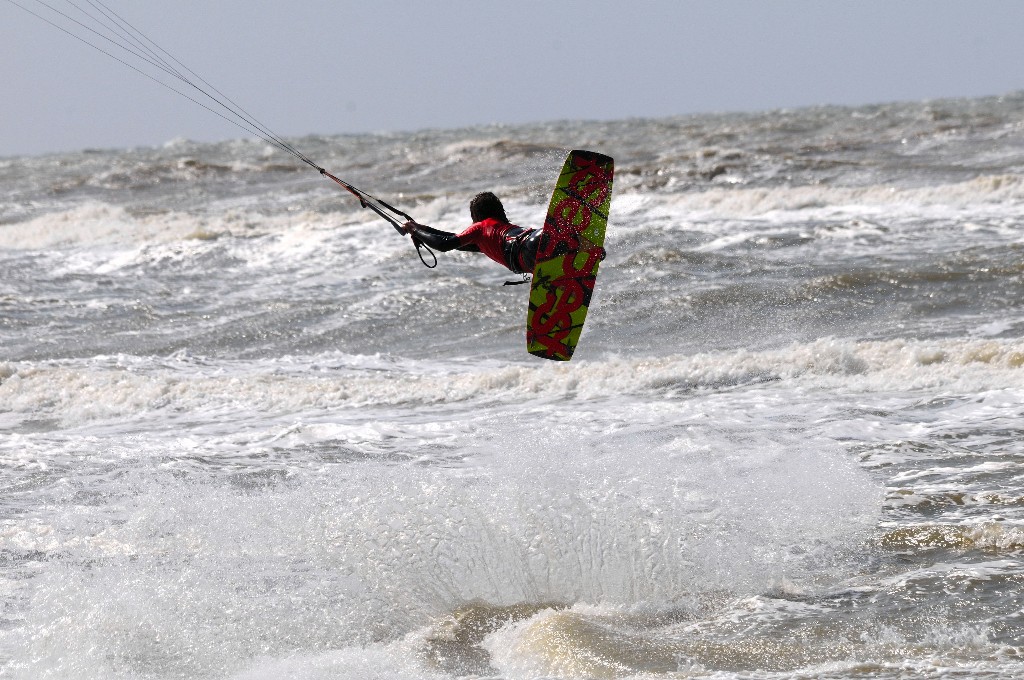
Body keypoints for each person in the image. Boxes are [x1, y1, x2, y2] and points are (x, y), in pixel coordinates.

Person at [401, 192, 542, 274]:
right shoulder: (495, 234)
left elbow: (444, 244)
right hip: (536, 239)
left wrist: (414, 230)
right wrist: (422, 229)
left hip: (528, 251)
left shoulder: (480, 227)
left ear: (476, 215)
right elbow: (453, 242)